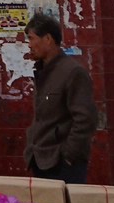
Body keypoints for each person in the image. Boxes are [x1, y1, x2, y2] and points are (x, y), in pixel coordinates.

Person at [23, 13, 97, 184]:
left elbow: (86, 119)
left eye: (32, 38)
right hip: (40, 159)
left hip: (63, 165)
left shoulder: (72, 72)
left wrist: (68, 155)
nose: (29, 45)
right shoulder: (43, 71)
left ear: (48, 39)